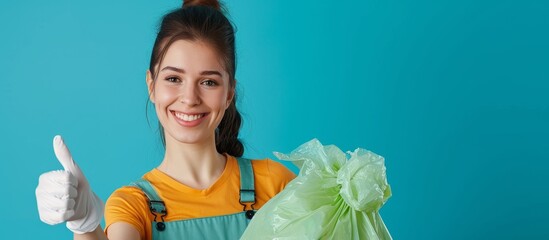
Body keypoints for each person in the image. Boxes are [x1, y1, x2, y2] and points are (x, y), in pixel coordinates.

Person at [35, 1, 296, 239]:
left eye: (209, 82)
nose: (190, 98)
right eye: (174, 79)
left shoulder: (276, 184)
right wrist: (86, 226)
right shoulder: (132, 204)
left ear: (229, 94)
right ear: (152, 85)